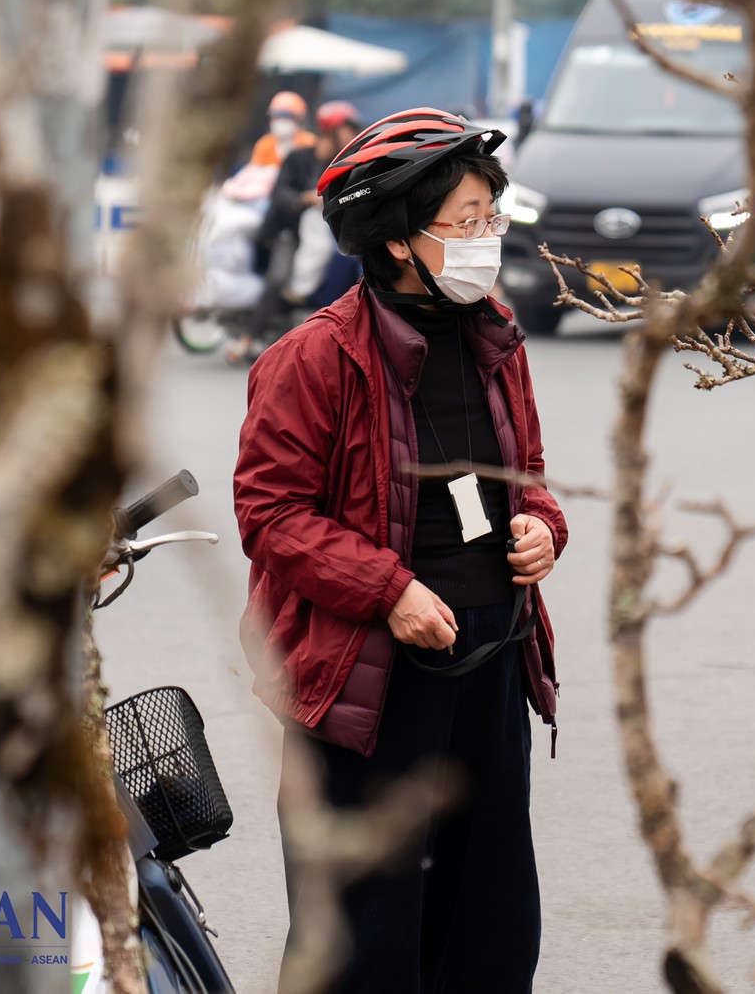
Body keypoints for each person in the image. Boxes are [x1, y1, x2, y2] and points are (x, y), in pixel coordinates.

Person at [232, 107, 565, 994]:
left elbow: (524, 475)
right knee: (366, 931)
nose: (487, 238)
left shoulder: (495, 334)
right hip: (368, 682)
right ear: (394, 242)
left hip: (491, 661)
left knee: (489, 916)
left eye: (492, 217)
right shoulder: (313, 358)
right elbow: (270, 512)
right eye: (466, 222)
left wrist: (541, 526)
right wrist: (389, 590)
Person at [224, 100, 364, 364]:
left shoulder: (347, 164)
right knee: (278, 279)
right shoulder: (298, 158)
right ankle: (249, 337)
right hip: (289, 231)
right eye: (347, 127)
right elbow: (280, 194)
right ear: (332, 130)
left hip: (328, 234)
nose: (351, 133)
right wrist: (304, 199)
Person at [248, 90, 317, 168]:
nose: (280, 121)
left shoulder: (309, 143)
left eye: (287, 117)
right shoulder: (265, 144)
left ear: (299, 120)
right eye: (276, 116)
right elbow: (254, 170)